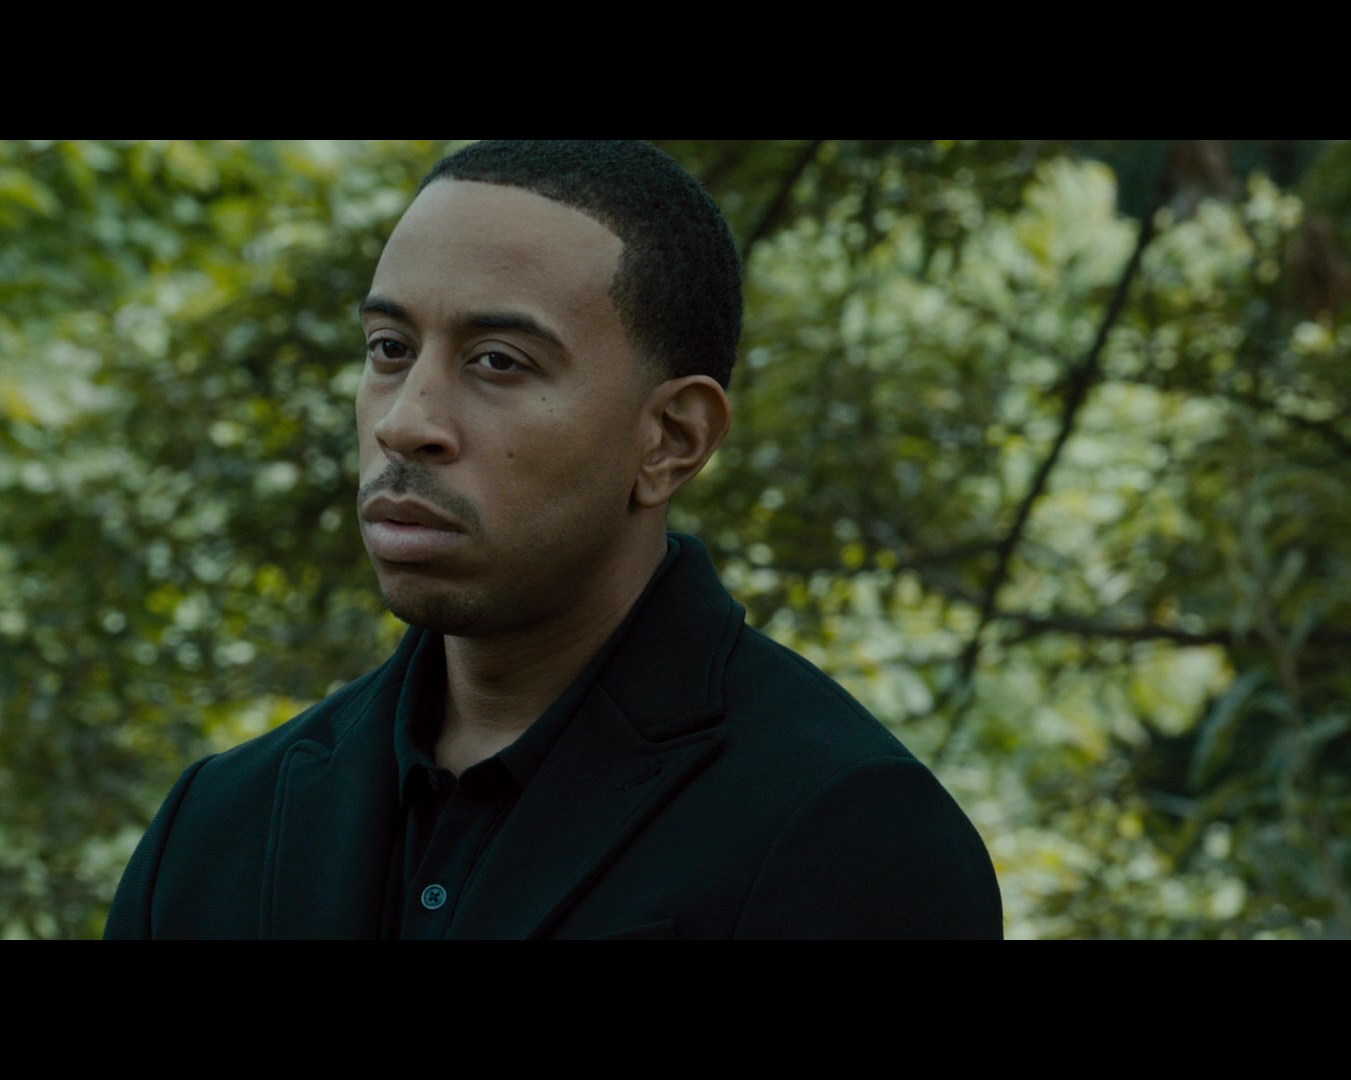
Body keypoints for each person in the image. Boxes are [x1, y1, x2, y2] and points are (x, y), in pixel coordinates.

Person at [104, 140, 1002, 939]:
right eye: (388, 348)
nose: (405, 422)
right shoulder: (217, 825)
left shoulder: (848, 832)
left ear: (671, 440)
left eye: (498, 361)